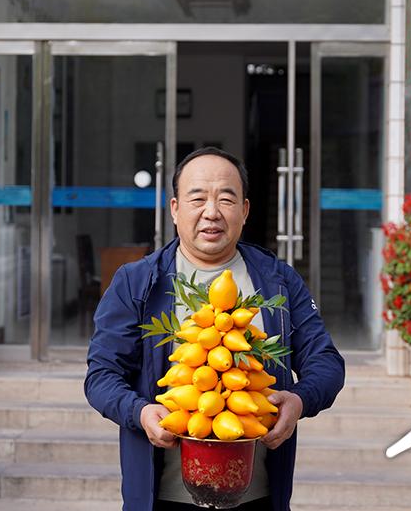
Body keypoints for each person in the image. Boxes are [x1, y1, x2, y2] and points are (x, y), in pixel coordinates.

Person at [85, 147, 345, 511]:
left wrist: (299, 401)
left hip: (257, 495)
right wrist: (139, 412)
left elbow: (327, 362)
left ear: (245, 210)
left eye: (226, 198)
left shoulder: (277, 280)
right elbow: (101, 376)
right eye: (197, 198)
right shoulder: (137, 282)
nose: (212, 211)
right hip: (161, 497)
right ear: (175, 209)